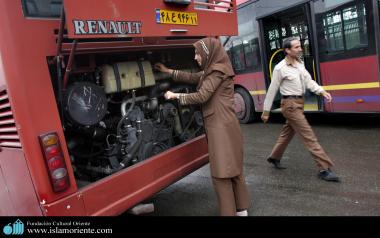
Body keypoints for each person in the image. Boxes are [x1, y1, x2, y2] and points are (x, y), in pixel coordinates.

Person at [154, 37, 250, 216]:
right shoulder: (215, 69)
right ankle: (241, 209)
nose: (196, 58)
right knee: (234, 169)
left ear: (208, 52)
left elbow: (201, 96)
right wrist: (169, 71)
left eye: (198, 53)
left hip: (220, 128)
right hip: (226, 124)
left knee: (221, 174)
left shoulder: (216, 71)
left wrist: (175, 96)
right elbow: (192, 77)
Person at [261, 37, 340, 182]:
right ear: (287, 50)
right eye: (296, 47)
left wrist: (322, 91)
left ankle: (274, 157)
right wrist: (266, 112)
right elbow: (272, 90)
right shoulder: (280, 68)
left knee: (287, 133)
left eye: (300, 46)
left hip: (299, 103)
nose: (300, 49)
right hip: (290, 106)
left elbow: (308, 81)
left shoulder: (299, 63)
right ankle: (323, 169)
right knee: (308, 135)